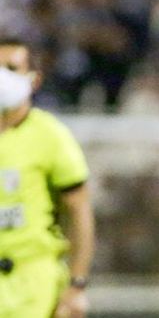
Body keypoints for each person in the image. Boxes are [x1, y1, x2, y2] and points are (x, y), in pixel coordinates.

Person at [0, 38, 94, 318]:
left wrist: (77, 284)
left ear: (34, 79)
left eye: (11, 68)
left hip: (34, 281)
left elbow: (79, 212)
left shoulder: (50, 136)